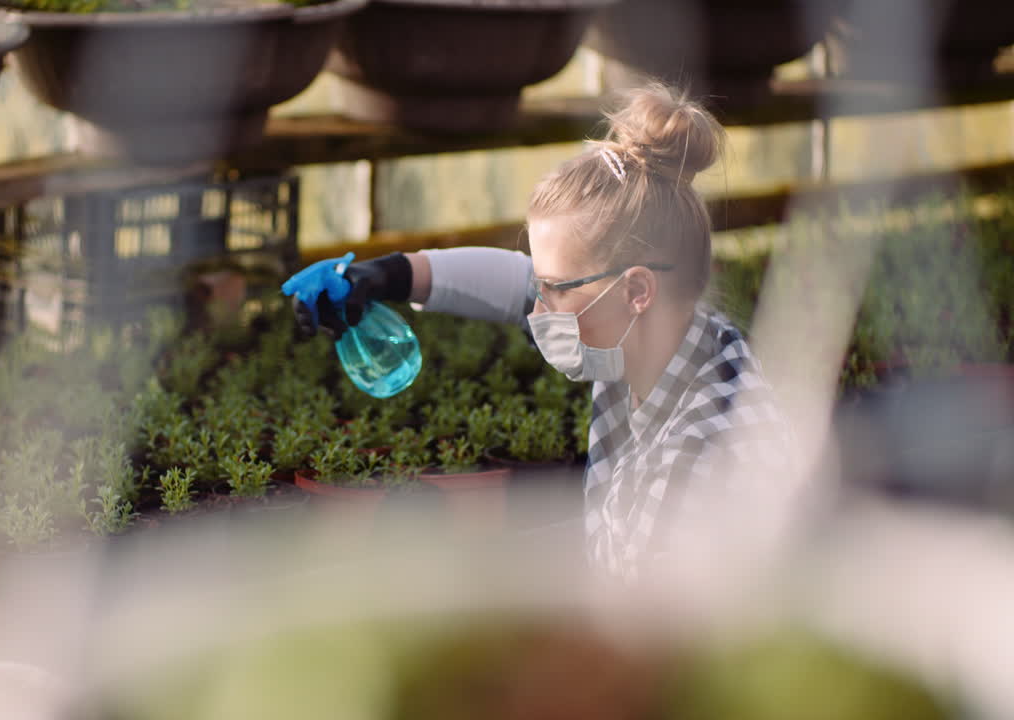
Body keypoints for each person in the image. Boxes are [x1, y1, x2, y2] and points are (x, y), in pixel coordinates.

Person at [293, 84, 792, 579]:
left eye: (553, 288)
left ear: (636, 290)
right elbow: (511, 283)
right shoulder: (664, 341)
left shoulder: (703, 461)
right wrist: (383, 277)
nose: (535, 307)